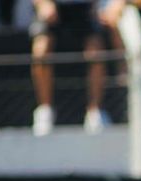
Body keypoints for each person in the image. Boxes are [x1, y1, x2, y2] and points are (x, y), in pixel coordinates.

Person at [30, 0, 112, 136]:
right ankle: (44, 110)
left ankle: (95, 112)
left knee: (96, 53)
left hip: (84, 9)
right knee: (41, 51)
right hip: (51, 7)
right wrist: (43, 4)